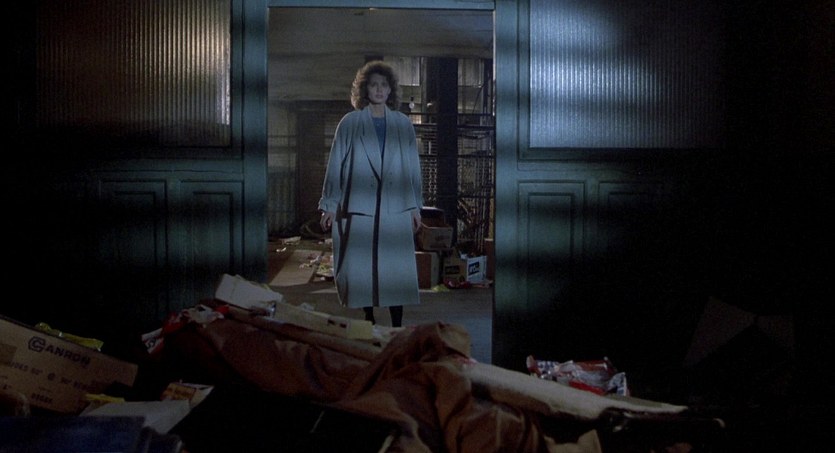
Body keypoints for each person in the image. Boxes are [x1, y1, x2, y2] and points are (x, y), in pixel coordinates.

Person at [318, 60, 423, 328]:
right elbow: (336, 164)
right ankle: (368, 317)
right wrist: (329, 204)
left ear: (391, 90)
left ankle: (397, 324)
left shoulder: (403, 124)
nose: (378, 89)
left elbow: (413, 168)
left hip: (396, 206)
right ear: (365, 89)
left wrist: (415, 206)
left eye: (383, 85)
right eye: (374, 85)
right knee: (363, 267)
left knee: (396, 269)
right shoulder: (350, 123)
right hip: (361, 206)